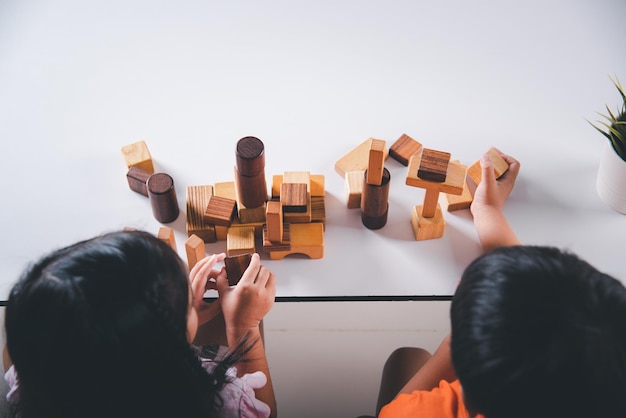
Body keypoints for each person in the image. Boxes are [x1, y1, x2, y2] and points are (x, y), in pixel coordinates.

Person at [375, 149, 626, 418]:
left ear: (469, 396)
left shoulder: (425, 412)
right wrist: (487, 210)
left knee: (404, 358)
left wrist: (461, 335)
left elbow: (396, 411)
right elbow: (543, 310)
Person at [2, 230, 277, 418]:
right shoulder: (218, 403)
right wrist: (244, 327)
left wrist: (173, 318)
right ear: (159, 352)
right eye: (186, 305)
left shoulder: (36, 365)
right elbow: (263, 411)